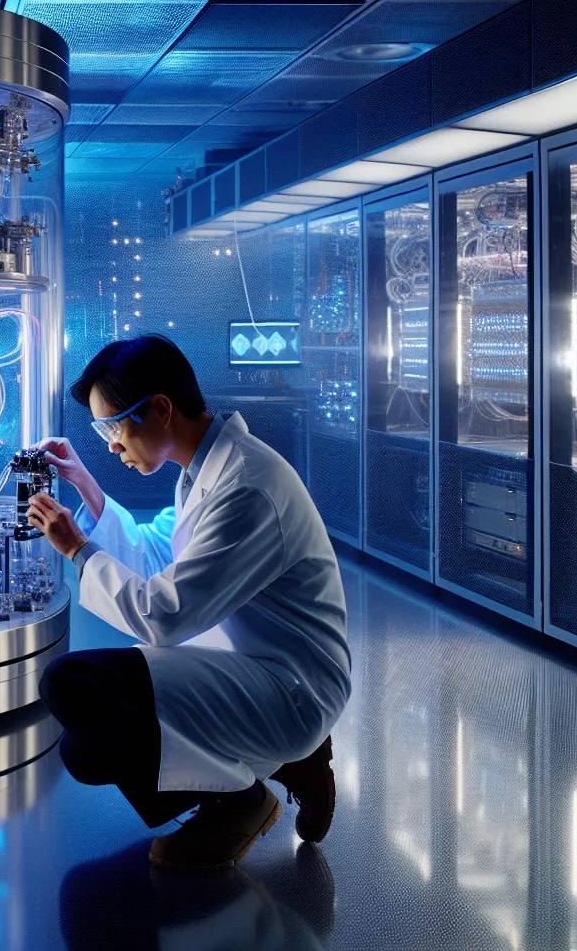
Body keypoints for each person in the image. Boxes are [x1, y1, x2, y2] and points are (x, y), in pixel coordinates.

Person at [24, 334, 349, 872]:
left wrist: (77, 549)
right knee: (82, 751)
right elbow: (159, 558)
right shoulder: (205, 470)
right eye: (101, 431)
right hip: (247, 663)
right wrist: (87, 488)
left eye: (113, 426)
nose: (110, 445)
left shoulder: (248, 487)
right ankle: (290, 765)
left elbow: (165, 615)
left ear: (160, 409)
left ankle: (242, 803)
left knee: (70, 687)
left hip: (292, 685)